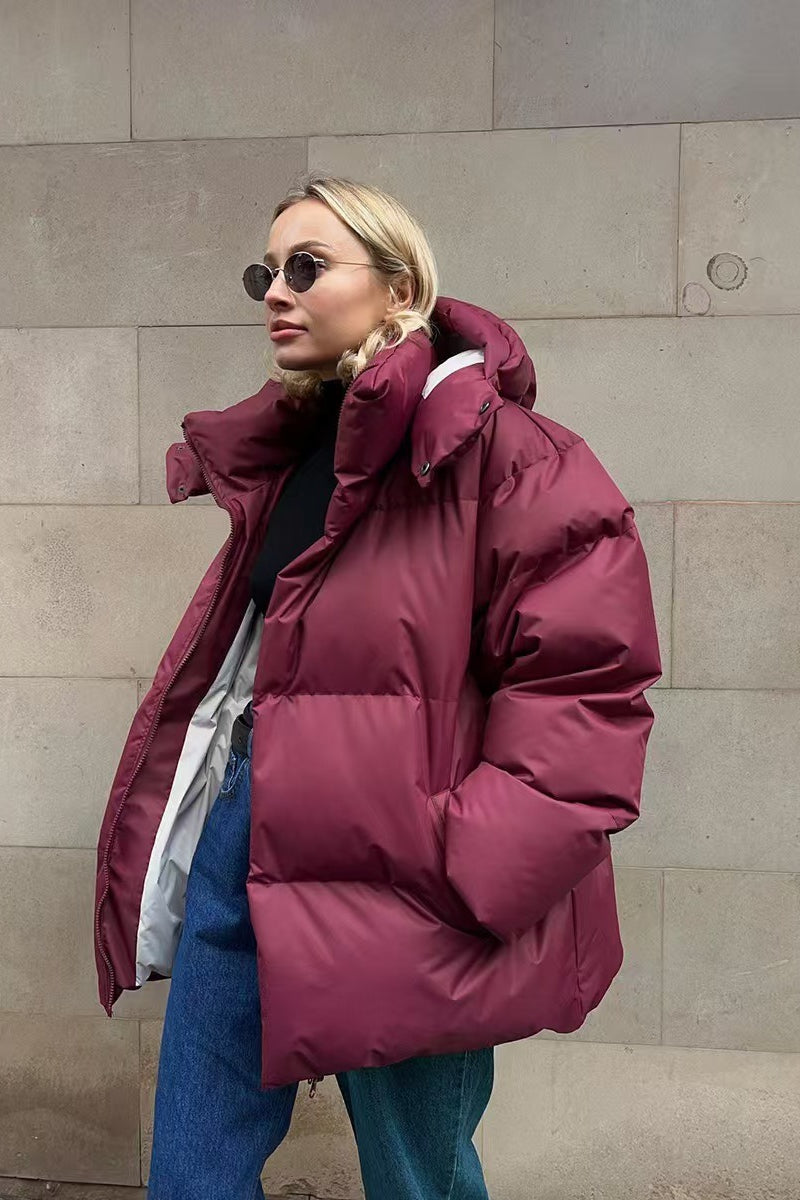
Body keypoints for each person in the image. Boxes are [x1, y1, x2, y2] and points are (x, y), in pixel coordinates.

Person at [93, 171, 662, 1200]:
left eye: (307, 266)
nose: (276, 291)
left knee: (417, 1180)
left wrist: (474, 870)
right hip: (249, 829)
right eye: (265, 272)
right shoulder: (292, 454)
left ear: (399, 288)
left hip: (415, 867)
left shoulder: (512, 458)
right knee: (192, 1168)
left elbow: (587, 692)